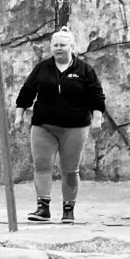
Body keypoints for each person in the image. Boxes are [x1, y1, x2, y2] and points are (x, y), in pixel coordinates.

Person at [14, 27, 107, 224]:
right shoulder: (42, 68)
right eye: (55, 45)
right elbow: (27, 91)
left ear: (71, 47)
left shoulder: (84, 70)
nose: (58, 48)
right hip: (44, 126)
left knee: (70, 170)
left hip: (75, 127)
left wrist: (97, 118)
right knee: (41, 166)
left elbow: (96, 96)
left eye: (62, 45)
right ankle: (43, 208)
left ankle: (68, 209)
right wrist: (19, 114)